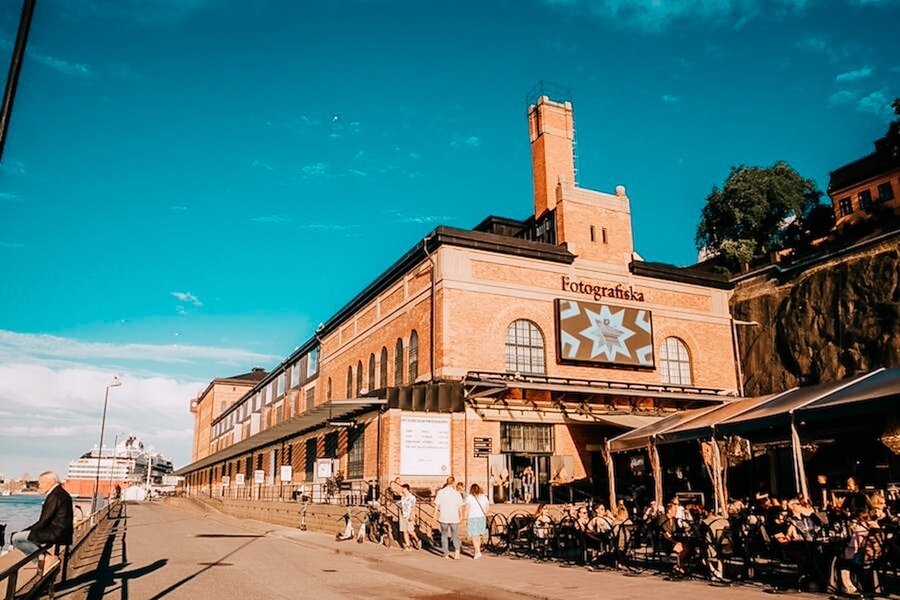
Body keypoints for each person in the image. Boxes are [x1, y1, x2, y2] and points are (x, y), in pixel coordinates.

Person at [11, 471, 74, 560]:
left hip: (55, 533)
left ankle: (45, 560)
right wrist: (27, 532)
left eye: (41, 483)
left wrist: (25, 531)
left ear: (51, 482)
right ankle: (45, 560)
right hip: (62, 532)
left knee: (16, 538)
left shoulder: (55, 495)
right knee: (27, 537)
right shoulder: (60, 493)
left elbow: (44, 520)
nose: (39, 486)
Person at [435, 476, 463, 559]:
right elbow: (460, 506)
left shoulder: (441, 492)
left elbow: (437, 504)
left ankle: (446, 553)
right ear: (453, 483)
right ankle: (457, 551)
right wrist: (461, 515)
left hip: (444, 516)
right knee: (455, 534)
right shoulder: (457, 493)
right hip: (454, 517)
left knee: (444, 534)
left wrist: (435, 514)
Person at [464, 483, 490, 559]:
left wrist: (465, 518)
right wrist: (485, 513)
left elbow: (467, 508)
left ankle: (477, 552)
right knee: (478, 536)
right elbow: (488, 507)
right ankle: (477, 551)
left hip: (472, 517)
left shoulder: (469, 497)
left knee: (473, 536)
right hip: (482, 517)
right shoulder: (484, 497)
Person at [398, 484, 417, 551]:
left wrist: (412, 514)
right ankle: (407, 546)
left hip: (409, 514)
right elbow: (400, 505)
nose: (402, 490)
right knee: (404, 531)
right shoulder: (402, 497)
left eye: (403, 488)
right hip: (403, 514)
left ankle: (416, 539)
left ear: (406, 489)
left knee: (410, 530)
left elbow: (413, 506)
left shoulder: (412, 497)